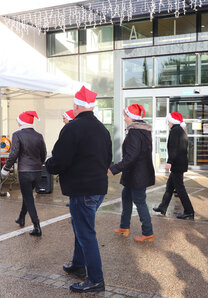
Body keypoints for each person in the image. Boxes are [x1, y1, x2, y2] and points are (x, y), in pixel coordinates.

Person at [46, 86, 112, 293]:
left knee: (86, 233)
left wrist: (49, 165)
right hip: (97, 188)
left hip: (82, 189)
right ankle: (78, 265)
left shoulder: (73, 128)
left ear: (76, 106)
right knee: (81, 228)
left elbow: (60, 160)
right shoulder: (102, 129)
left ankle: (95, 280)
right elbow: (108, 158)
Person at [109, 104, 155, 242]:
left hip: (137, 175)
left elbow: (131, 157)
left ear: (132, 118)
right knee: (126, 197)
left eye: (126, 116)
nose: (124, 118)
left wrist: (114, 168)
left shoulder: (135, 133)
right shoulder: (143, 131)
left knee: (140, 202)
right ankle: (124, 226)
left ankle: (148, 232)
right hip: (136, 174)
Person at [1, 111, 46, 236]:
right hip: (37, 171)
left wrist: (5, 168)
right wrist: (37, 164)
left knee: (28, 198)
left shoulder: (17, 134)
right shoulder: (39, 135)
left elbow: (13, 153)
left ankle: (37, 226)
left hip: (25, 171)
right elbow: (43, 153)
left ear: (21, 122)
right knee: (27, 195)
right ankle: (21, 218)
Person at [153, 112, 194, 220]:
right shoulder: (179, 130)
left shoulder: (175, 131)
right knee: (170, 187)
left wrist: (169, 161)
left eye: (168, 121)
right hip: (179, 163)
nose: (167, 123)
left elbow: (174, 148)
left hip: (177, 164)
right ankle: (163, 207)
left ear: (172, 121)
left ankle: (189, 211)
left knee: (180, 189)